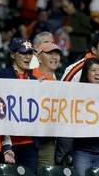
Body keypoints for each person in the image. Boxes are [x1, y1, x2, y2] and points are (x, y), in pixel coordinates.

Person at [56, 32, 99, 165]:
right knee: (64, 163)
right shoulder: (78, 68)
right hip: (70, 127)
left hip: (92, 132)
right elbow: (61, 93)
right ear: (93, 49)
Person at [0, 38, 38, 174]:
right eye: (23, 53)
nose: (28, 57)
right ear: (13, 55)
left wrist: (43, 89)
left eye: (30, 53)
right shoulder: (1, 75)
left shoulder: (34, 80)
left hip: (30, 143)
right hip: (9, 142)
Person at [31, 42, 62, 175]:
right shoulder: (29, 75)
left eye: (57, 54)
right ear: (38, 58)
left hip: (48, 141)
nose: (55, 57)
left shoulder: (59, 84)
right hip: (28, 139)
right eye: (50, 53)